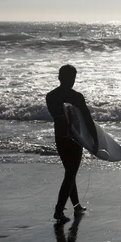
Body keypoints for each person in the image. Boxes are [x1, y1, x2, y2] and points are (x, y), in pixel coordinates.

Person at [46, 65, 98, 223]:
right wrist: (95, 139)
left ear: (59, 77)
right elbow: (87, 119)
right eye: (72, 77)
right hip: (75, 138)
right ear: (71, 78)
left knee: (70, 172)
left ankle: (76, 206)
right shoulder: (76, 96)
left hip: (60, 137)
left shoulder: (50, 96)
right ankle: (58, 210)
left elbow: (57, 117)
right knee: (70, 173)